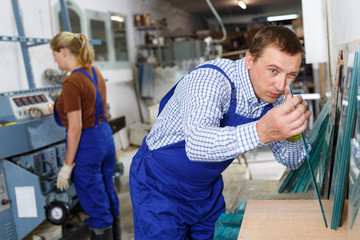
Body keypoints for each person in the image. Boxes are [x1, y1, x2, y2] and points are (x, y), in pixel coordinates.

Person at [129, 25, 312, 239]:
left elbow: (292, 161)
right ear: (250, 60)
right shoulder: (211, 80)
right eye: (273, 70)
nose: (281, 85)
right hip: (159, 186)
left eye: (290, 75)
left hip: (206, 189)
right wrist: (261, 131)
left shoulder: (277, 96)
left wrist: (292, 132)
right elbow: (197, 144)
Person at [50, 32, 121, 240]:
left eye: (54, 54)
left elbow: (75, 127)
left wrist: (67, 165)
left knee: (95, 203)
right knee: (108, 193)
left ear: (63, 52)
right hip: (105, 137)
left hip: (88, 144)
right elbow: (95, 106)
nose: (54, 59)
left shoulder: (72, 82)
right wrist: (51, 108)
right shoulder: (95, 72)